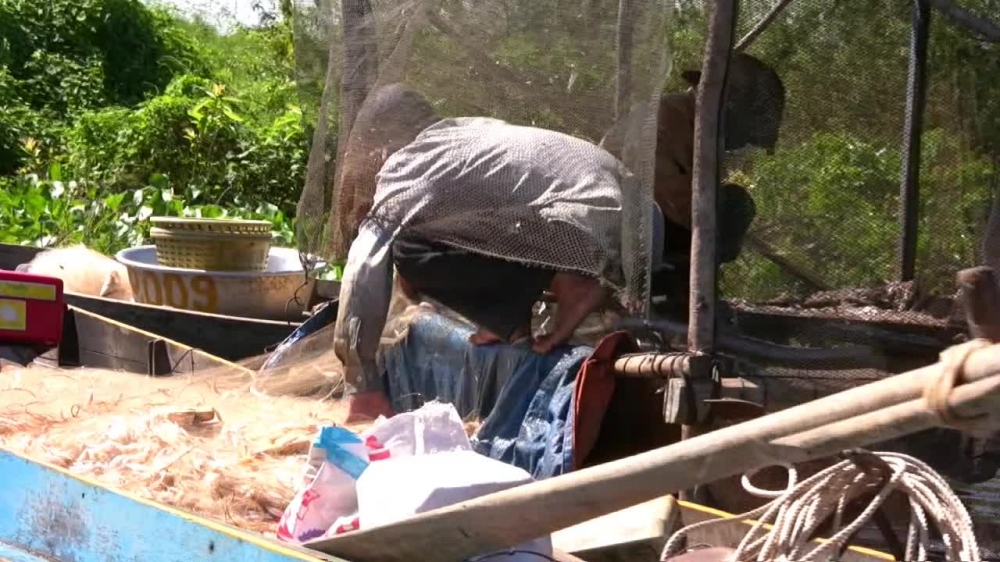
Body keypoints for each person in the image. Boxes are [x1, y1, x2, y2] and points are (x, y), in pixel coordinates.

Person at [333, 116, 651, 421]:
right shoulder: (456, 135)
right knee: (455, 228)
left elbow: (364, 270)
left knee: (408, 251)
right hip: (645, 222)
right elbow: (491, 221)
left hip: (588, 228)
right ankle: (511, 319)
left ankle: (571, 279)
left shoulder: (406, 170)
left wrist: (363, 384)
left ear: (382, 150)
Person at [601, 53, 785, 310]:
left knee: (730, 205)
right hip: (620, 234)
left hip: (642, 230)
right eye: (745, 134)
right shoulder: (665, 121)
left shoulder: (695, 127)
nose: (740, 143)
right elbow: (669, 203)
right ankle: (667, 292)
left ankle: (680, 290)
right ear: (729, 107)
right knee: (735, 205)